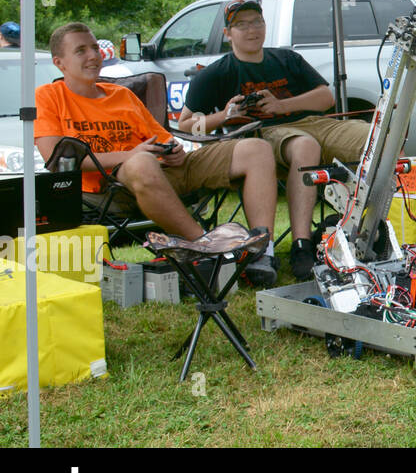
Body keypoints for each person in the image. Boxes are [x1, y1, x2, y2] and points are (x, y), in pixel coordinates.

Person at [34, 22, 280, 286]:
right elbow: (56, 160)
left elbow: (163, 140)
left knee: (256, 149)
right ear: (60, 63)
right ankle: (206, 247)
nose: (93, 56)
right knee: (140, 162)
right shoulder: (48, 97)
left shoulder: (122, 95)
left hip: (162, 172)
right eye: (81, 51)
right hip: (113, 187)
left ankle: (263, 255)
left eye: (95, 47)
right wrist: (130, 155)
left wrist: (172, 152)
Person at [179, 0, 373, 281]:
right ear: (228, 34)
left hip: (308, 121)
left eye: (257, 22)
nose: (251, 30)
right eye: (241, 25)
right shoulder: (215, 74)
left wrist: (282, 105)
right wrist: (225, 114)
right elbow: (187, 126)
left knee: (377, 137)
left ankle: (372, 233)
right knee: (306, 146)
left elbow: (326, 97)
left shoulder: (286, 59)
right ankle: (302, 246)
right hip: (259, 132)